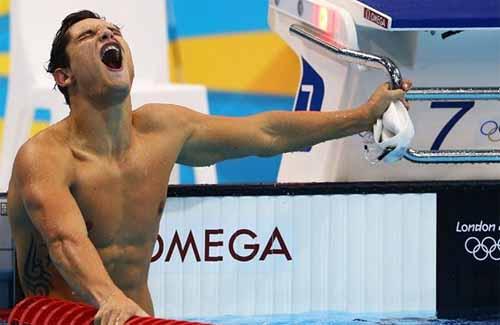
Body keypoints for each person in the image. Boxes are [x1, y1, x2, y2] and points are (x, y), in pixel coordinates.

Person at [6, 10, 412, 325]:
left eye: (113, 29)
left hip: (142, 318)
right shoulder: (44, 157)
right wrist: (108, 297)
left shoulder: (161, 129)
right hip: (64, 317)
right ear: (64, 76)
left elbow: (266, 132)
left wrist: (360, 117)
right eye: (89, 36)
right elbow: (64, 241)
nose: (108, 35)